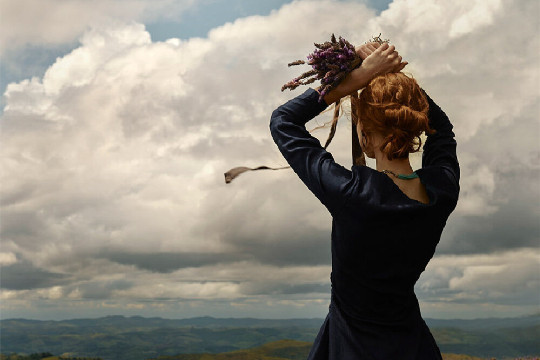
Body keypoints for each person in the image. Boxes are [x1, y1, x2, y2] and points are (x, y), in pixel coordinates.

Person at [269, 42, 459, 359]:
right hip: (413, 346)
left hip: (349, 348)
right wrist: (398, 80)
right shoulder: (441, 192)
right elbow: (444, 130)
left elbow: (283, 120)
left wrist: (361, 76)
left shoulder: (353, 194)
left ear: (365, 138)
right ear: (414, 128)